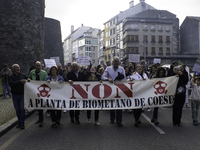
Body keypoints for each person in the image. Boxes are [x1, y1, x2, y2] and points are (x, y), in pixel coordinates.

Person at [102, 56, 126, 127]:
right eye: (115, 61)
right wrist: (108, 79)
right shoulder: (108, 68)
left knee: (119, 105)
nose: (116, 63)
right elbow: (103, 77)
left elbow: (124, 78)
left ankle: (119, 121)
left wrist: (120, 81)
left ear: (119, 62)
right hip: (110, 89)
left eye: (117, 61)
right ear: (112, 62)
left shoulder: (122, 69)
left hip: (119, 89)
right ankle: (112, 118)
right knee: (112, 104)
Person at [28, 61, 48, 127]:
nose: (38, 67)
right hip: (34, 91)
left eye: (39, 65)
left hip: (41, 92)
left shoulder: (44, 73)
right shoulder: (32, 72)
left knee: (41, 106)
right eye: (37, 65)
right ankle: (39, 119)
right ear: (35, 66)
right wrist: (28, 79)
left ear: (41, 66)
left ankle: (41, 120)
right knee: (37, 105)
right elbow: (29, 77)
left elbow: (46, 81)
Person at [8, 64, 27, 129]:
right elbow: (11, 84)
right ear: (13, 69)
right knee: (17, 109)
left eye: (18, 67)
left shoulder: (23, 75)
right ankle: (19, 121)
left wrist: (29, 80)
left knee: (22, 109)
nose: (18, 68)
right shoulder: (10, 76)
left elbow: (28, 82)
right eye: (16, 67)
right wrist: (20, 81)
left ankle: (22, 123)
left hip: (22, 94)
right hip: (15, 95)